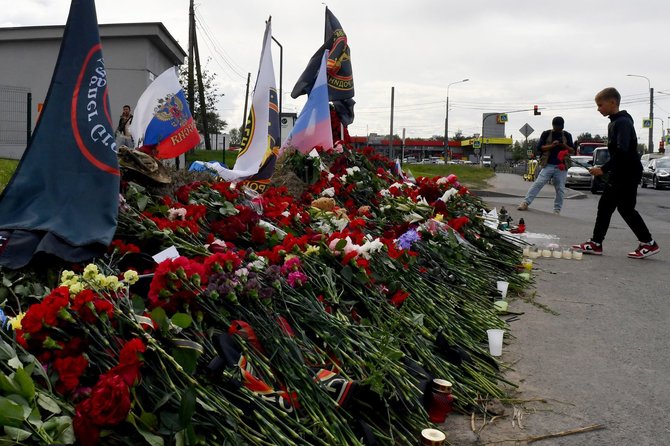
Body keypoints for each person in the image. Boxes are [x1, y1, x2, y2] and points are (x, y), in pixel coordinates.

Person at [572, 87, 660, 259]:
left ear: (612, 102)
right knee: (611, 207)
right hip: (622, 172)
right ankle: (597, 243)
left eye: (600, 105)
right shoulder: (615, 122)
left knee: (622, 208)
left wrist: (603, 168)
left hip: (627, 173)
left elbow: (623, 151)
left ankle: (647, 243)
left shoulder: (622, 123)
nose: (598, 109)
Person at [517, 116, 574, 214]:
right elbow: (540, 148)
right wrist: (552, 145)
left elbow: (572, 150)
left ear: (563, 126)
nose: (559, 129)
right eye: (557, 127)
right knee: (538, 183)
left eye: (560, 127)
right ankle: (525, 202)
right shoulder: (546, 134)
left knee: (560, 188)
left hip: (561, 166)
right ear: (553, 125)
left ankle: (557, 210)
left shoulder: (567, 135)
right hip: (548, 165)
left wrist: (564, 146)